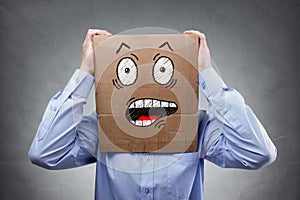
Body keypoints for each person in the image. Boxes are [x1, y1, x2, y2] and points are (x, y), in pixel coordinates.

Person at [28, 29, 277, 200]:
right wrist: (86, 72)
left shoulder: (198, 128)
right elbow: (44, 153)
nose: (146, 88)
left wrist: (206, 73)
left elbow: (259, 153)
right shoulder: (102, 127)